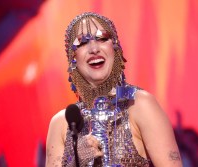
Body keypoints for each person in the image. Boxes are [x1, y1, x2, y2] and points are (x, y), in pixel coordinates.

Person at [45, 12, 182, 167]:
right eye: (82, 43)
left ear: (115, 48)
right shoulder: (62, 123)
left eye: (102, 38)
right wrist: (75, 161)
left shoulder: (139, 104)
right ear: (72, 58)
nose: (94, 48)